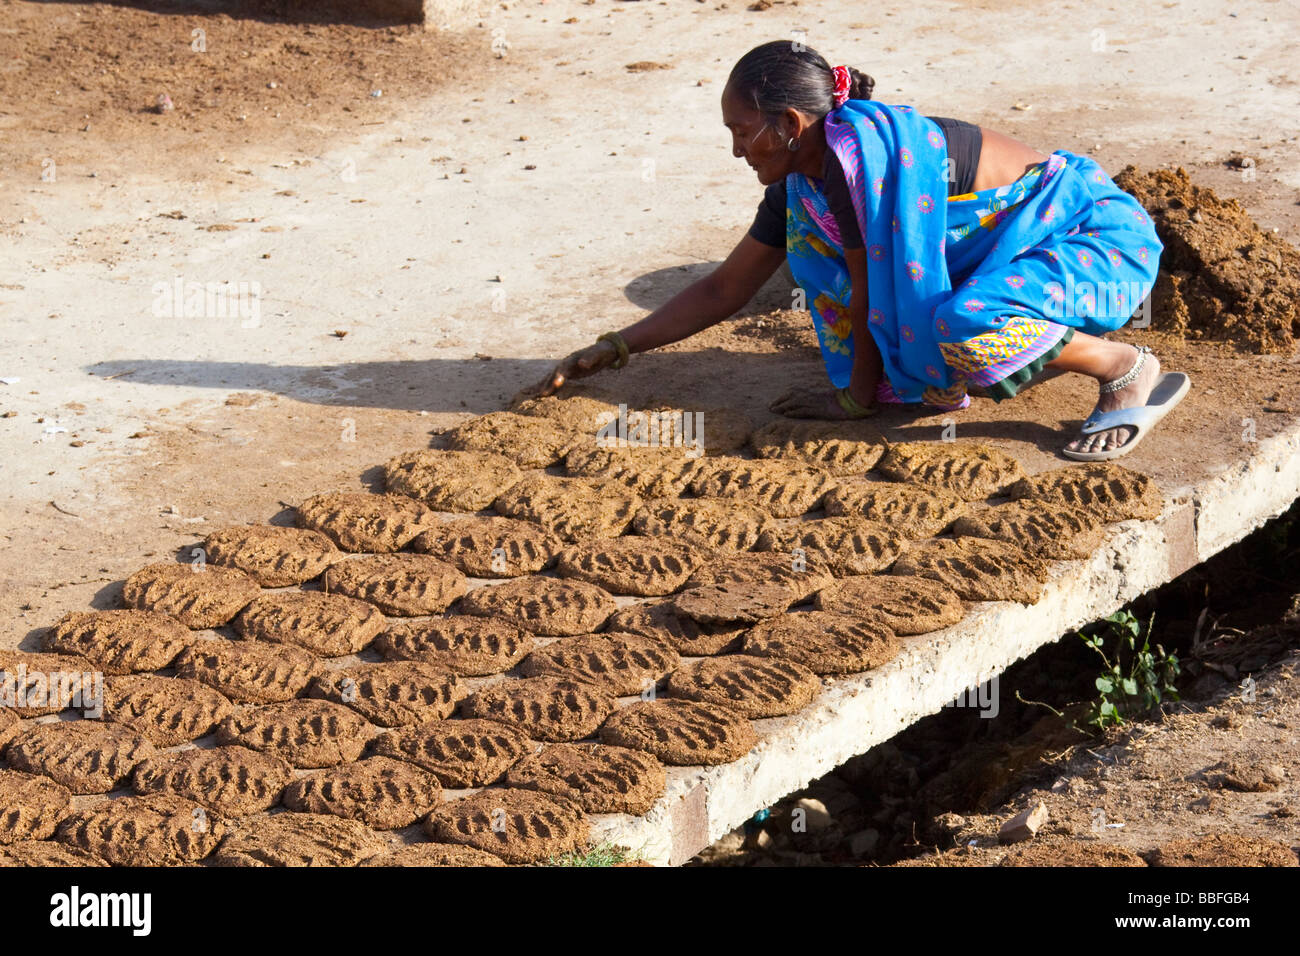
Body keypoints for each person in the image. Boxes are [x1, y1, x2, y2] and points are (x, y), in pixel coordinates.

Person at [522, 40, 1189, 461]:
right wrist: (614, 348)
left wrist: (855, 400)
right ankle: (985, 353)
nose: (734, 151)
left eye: (742, 131)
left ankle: (1124, 367)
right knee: (828, 257)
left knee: (963, 326)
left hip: (1090, 244)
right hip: (1009, 267)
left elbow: (875, 289)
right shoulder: (800, 184)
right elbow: (725, 290)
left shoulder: (864, 168)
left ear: (790, 125)